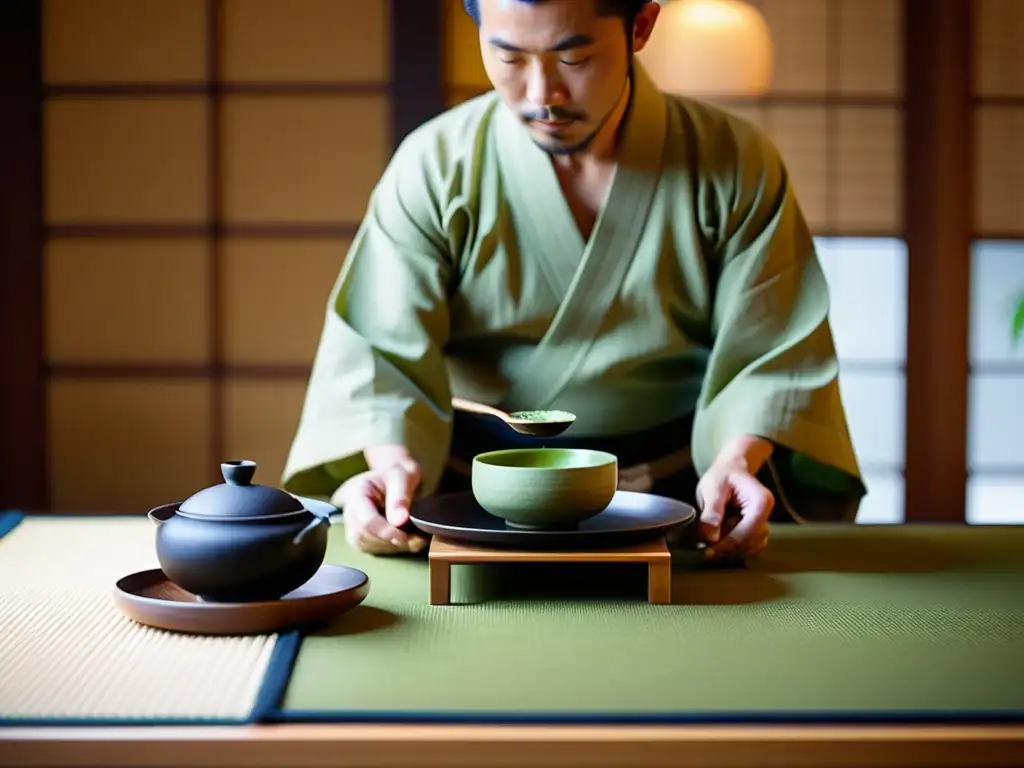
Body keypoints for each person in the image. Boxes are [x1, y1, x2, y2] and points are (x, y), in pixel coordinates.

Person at [281, 0, 867, 561]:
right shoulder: (435, 166)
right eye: (508, 58)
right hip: (474, 502)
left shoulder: (734, 162)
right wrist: (390, 466)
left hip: (680, 504)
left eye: (573, 59)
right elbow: (382, 352)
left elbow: (769, 350)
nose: (542, 95)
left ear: (640, 28)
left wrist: (738, 461)